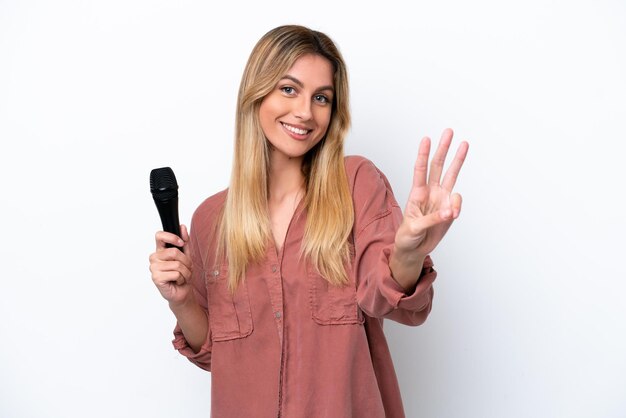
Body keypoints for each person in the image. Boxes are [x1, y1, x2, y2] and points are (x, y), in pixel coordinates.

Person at [148, 24, 468, 418]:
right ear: (256, 93)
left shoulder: (357, 184)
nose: (305, 111)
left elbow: (387, 298)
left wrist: (407, 253)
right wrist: (180, 302)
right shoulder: (211, 219)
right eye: (288, 89)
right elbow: (218, 353)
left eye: (321, 97)